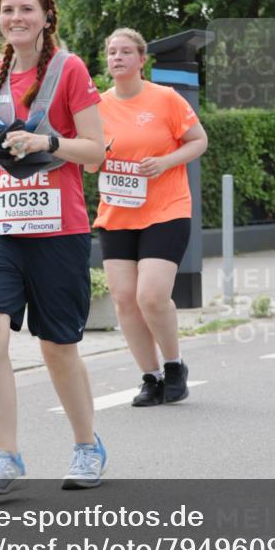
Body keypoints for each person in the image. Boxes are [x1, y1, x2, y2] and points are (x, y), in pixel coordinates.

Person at [0, 0, 107, 493]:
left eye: (25, 9)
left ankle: (87, 446)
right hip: (0, 221)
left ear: (46, 17)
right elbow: (10, 141)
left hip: (59, 227)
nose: (15, 18)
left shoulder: (70, 70)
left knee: (57, 345)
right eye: (7, 11)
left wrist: (47, 139)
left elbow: (95, 153)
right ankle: (6, 456)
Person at [88, 28, 208, 407]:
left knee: (151, 296)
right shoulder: (96, 107)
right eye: (111, 52)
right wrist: (93, 161)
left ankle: (174, 366)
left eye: (126, 52)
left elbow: (198, 140)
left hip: (166, 209)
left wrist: (165, 162)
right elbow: (91, 159)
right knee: (125, 300)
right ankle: (150, 377)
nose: (117, 57)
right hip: (117, 212)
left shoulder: (165, 99)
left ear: (142, 60)